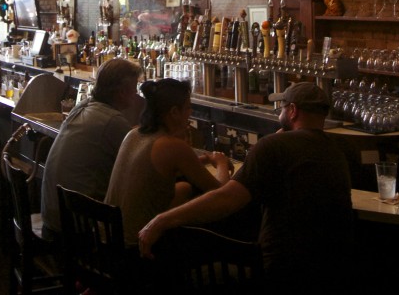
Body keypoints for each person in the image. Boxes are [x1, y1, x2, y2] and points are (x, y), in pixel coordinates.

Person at [137, 82, 354, 292]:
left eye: (282, 107)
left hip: (278, 271)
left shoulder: (274, 146)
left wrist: (163, 220)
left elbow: (227, 198)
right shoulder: (337, 150)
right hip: (332, 269)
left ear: (293, 111)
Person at [105, 78, 231, 246]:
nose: (190, 113)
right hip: (137, 249)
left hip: (108, 240)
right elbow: (221, 194)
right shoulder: (172, 146)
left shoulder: (133, 133)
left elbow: (154, 171)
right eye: (188, 108)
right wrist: (221, 162)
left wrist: (200, 160)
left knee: (184, 188)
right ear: (174, 112)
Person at [40, 58, 143, 238]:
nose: (136, 93)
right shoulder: (112, 121)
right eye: (134, 88)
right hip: (79, 230)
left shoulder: (81, 107)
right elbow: (142, 165)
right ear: (121, 92)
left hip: (53, 218)